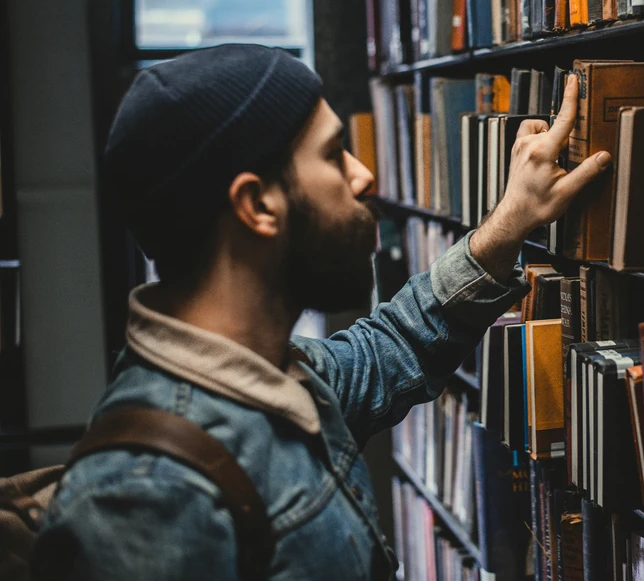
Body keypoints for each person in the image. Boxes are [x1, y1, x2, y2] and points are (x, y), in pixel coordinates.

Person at [31, 44, 610, 579]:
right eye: (335, 155)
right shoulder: (146, 499)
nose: (364, 176)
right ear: (257, 205)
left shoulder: (282, 376)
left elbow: (397, 344)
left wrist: (511, 219)